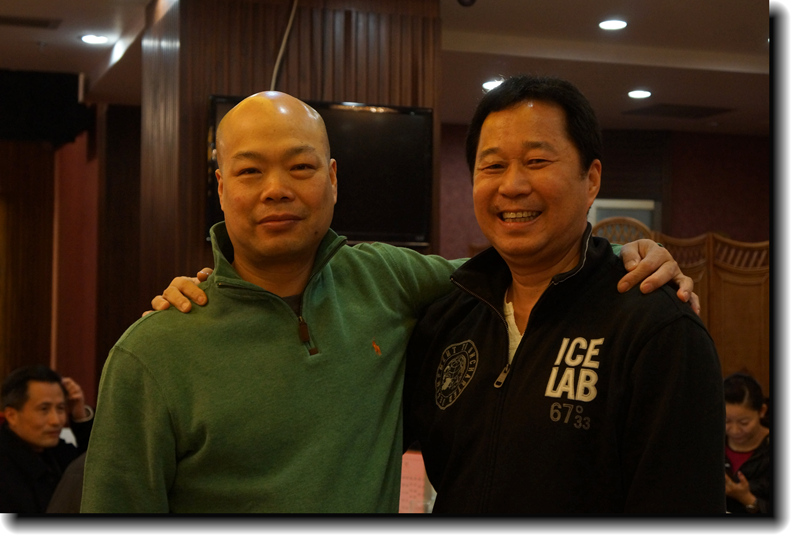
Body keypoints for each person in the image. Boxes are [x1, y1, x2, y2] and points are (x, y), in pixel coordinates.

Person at [97, 91, 694, 514]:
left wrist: (625, 254)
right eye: (250, 172)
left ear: (333, 178)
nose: (276, 189)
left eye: (301, 167)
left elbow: (523, 265)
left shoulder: (385, 280)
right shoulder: (155, 351)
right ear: (222, 186)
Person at [403, 75, 726, 514]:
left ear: (591, 179)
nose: (512, 185)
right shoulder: (447, 317)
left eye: (536, 161)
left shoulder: (657, 327)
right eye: (492, 166)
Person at [0, 365, 94, 513]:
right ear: (11, 415)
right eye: (44, 409)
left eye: (60, 408)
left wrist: (80, 416)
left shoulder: (58, 451)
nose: (56, 421)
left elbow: (93, 469)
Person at [724, 373, 771, 515]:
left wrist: (746, 498)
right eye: (726, 421)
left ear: (761, 411)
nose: (734, 430)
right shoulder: (711, 443)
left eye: (744, 423)